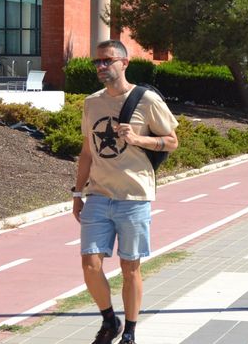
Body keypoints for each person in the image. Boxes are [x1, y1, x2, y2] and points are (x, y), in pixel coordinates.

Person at [73, 40, 179, 344]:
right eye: (98, 62)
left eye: (107, 61)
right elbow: (86, 153)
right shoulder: (92, 103)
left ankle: (130, 332)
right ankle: (110, 320)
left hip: (134, 197)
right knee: (89, 264)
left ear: (125, 63)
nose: (101, 67)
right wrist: (77, 194)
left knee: (129, 267)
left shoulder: (146, 100)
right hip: (98, 195)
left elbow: (171, 141)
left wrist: (138, 139)